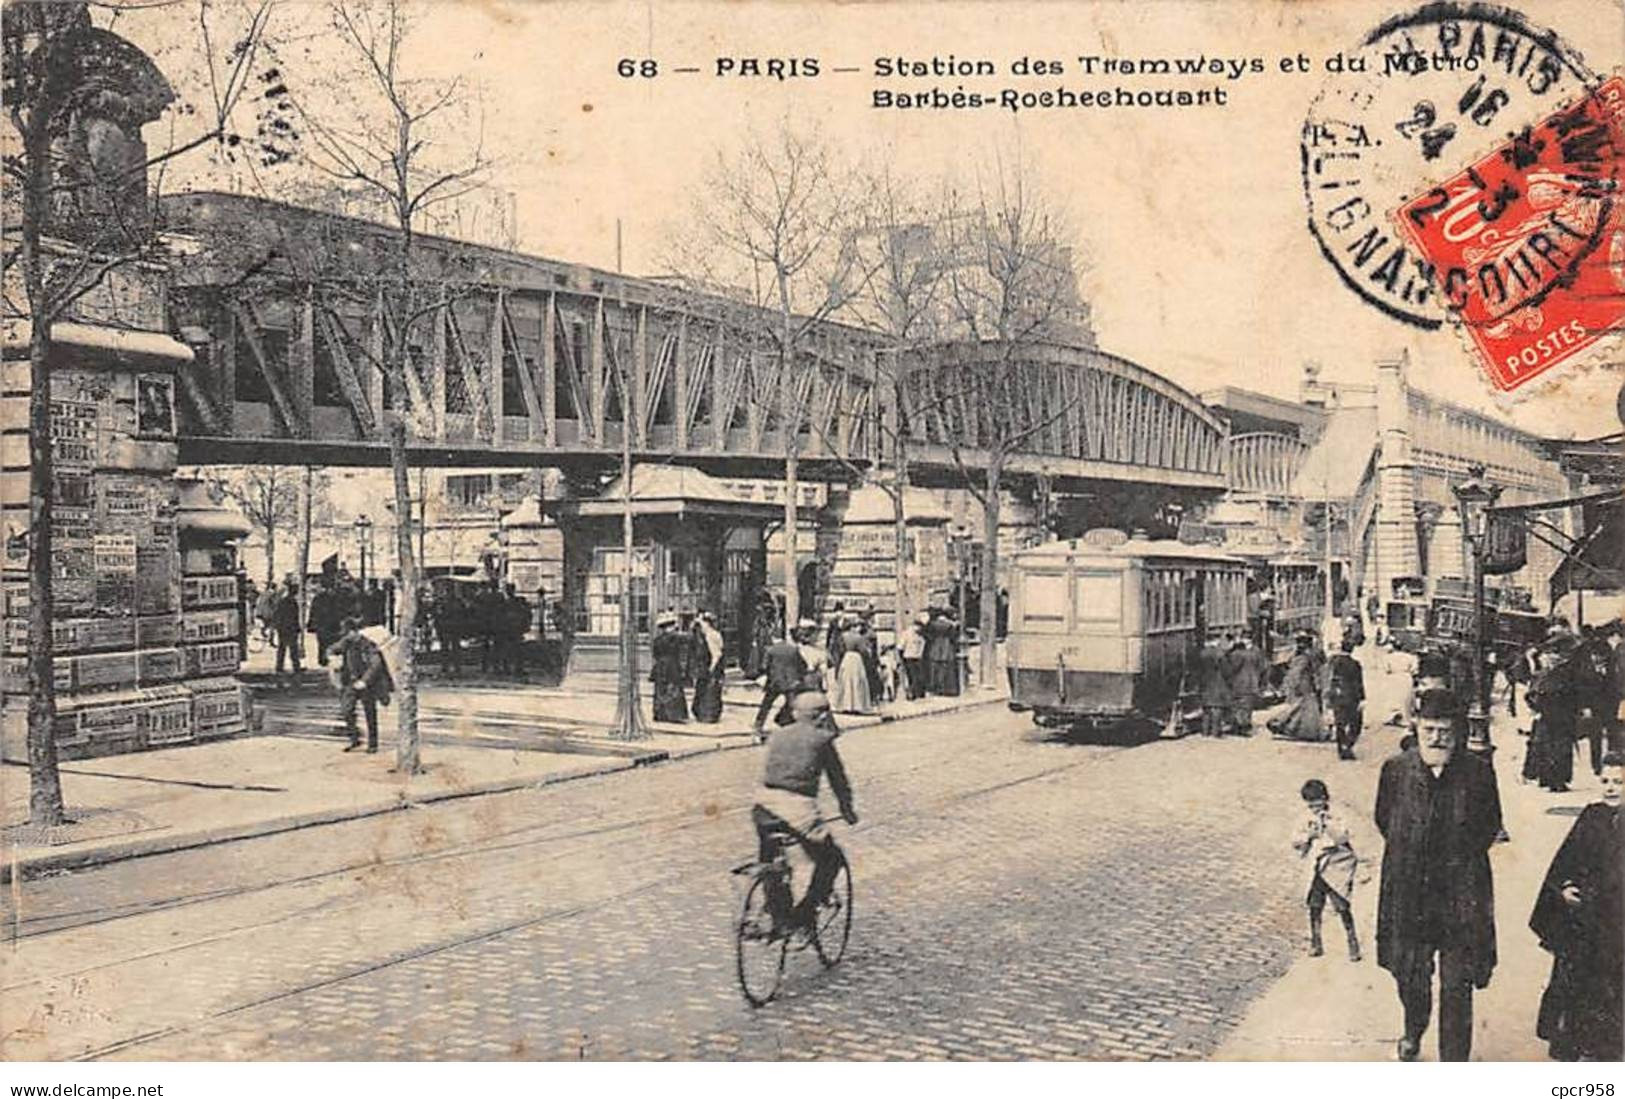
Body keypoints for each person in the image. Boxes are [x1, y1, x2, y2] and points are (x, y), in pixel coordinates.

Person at [1374, 689, 1502, 1062]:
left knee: (1457, 987)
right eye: (1429, 729)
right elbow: (1385, 820)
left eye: (1445, 730)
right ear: (1416, 727)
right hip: (1410, 895)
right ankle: (1414, 1027)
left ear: (1458, 732)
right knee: (1410, 976)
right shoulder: (1395, 770)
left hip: (1460, 898)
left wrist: (1457, 859)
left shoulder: (1477, 773)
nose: (1436, 738)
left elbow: (1490, 824)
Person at [1528, 751, 1623, 1061]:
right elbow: (1567, 859)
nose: (1611, 788)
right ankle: (1580, 1040)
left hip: (1620, 919)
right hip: (1589, 916)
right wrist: (1566, 887)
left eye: (1619, 782)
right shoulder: (1591, 815)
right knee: (1581, 977)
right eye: (1606, 781)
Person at [752, 691, 858, 932]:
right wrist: (847, 809)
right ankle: (804, 914)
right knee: (831, 859)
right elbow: (837, 780)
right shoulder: (822, 740)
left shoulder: (777, 735)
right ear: (821, 716)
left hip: (763, 807)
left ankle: (779, 916)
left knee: (770, 861)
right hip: (797, 811)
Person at [1291, 778, 1362, 961]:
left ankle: (1352, 943)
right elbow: (1295, 841)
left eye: (1318, 803)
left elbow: (1343, 836)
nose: (1315, 808)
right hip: (1315, 867)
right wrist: (1308, 836)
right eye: (1311, 805)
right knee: (1315, 905)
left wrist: (1328, 825)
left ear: (1325, 799)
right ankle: (1316, 942)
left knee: (1342, 904)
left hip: (1335, 864)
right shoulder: (1304, 818)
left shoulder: (1337, 815)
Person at [326, 616, 392, 753]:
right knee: (347, 710)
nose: (348, 636)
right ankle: (354, 738)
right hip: (350, 682)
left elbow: (376, 665)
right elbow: (332, 649)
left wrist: (365, 681)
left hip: (367, 684)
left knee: (370, 713)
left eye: (350, 633)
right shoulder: (347, 642)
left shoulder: (368, 644)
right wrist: (332, 657)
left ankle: (373, 744)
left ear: (356, 631)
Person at [1527, 633, 1580, 792]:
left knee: (1555, 748)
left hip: (1557, 715)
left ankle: (1554, 780)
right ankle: (1553, 779)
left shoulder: (1561, 673)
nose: (1548, 658)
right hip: (1556, 716)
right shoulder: (1557, 673)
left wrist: (1537, 706)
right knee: (1553, 748)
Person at [754, 620, 811, 741]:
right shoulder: (792, 649)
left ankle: (758, 725)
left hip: (774, 682)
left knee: (766, 704)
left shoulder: (770, 650)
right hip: (791, 682)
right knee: (792, 704)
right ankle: (791, 724)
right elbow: (802, 665)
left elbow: (764, 666)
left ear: (773, 637)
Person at [1268, 634, 1326, 741]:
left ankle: (1288, 725)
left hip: (1302, 685)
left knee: (1301, 707)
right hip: (1305, 685)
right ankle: (1285, 724)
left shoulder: (1298, 656)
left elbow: (1293, 673)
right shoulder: (1307, 657)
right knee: (1306, 707)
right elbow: (1312, 672)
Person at [1324, 636, 1366, 761]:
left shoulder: (1332, 662)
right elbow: (1359, 683)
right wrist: (1362, 698)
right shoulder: (1355, 664)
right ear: (1352, 649)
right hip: (1351, 696)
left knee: (1340, 723)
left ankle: (1341, 748)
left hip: (1336, 695)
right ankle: (1348, 745)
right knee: (1356, 723)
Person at [650, 613, 690, 723]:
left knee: (660, 689)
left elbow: (655, 654)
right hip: (672, 664)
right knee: (674, 689)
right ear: (670, 626)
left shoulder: (657, 640)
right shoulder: (675, 638)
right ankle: (674, 715)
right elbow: (685, 643)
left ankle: (660, 714)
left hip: (660, 665)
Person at [831, 616, 873, 715]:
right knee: (857, 681)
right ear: (852, 627)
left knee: (845, 681)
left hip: (846, 658)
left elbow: (838, 650)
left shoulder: (842, 636)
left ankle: (845, 705)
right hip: (855, 658)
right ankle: (857, 705)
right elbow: (863, 650)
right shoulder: (858, 637)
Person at [1226, 633, 1266, 735]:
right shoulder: (1255, 653)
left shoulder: (1236, 655)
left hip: (1239, 684)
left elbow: (1232, 669)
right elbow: (1262, 668)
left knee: (1239, 706)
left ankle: (1240, 728)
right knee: (1248, 706)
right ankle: (1246, 726)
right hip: (1252, 683)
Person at [692, 611, 726, 724]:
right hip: (710, 667)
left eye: (702, 624)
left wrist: (711, 669)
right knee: (707, 691)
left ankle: (707, 715)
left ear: (707, 624)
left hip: (710, 667)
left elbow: (716, 654)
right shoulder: (713, 634)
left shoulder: (710, 636)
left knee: (708, 691)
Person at [1199, 636, 1232, 736]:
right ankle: (1215, 732)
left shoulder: (1202, 653)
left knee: (1206, 708)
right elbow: (1226, 670)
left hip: (1205, 682)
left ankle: (1205, 732)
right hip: (1218, 682)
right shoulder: (1219, 654)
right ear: (1216, 641)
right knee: (1217, 707)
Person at [925, 608, 960, 697]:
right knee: (947, 669)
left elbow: (928, 636)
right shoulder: (950, 625)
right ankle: (947, 689)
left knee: (935, 669)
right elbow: (954, 637)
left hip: (935, 647)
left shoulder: (932, 624)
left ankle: (935, 689)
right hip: (947, 647)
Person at [273, 579, 303, 679]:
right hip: (289, 628)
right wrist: (297, 627)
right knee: (292, 648)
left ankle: (280, 666)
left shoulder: (283, 601)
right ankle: (296, 667)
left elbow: (277, 614)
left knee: (283, 647)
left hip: (283, 627)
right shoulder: (291, 601)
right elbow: (294, 617)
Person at [901, 612, 928, 701]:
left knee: (917, 676)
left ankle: (917, 692)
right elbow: (901, 645)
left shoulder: (921, 634)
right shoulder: (907, 633)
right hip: (909, 656)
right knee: (912, 676)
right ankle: (912, 693)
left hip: (916, 657)